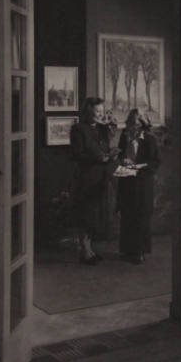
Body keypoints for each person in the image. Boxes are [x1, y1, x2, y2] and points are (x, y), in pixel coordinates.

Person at [70, 97, 119, 265]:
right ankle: (85, 251)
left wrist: (111, 152)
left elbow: (106, 147)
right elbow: (76, 155)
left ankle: (89, 249)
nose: (100, 114)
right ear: (88, 111)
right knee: (85, 214)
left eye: (101, 111)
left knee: (95, 215)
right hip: (86, 177)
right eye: (97, 111)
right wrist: (99, 157)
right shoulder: (78, 129)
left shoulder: (102, 128)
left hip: (101, 176)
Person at [116, 108, 160, 264]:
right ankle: (128, 249)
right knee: (127, 214)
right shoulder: (124, 136)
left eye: (135, 124)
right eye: (130, 123)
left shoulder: (150, 139)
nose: (132, 127)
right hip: (126, 179)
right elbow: (121, 155)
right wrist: (123, 160)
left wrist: (138, 167)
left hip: (142, 182)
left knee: (141, 216)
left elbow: (155, 162)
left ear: (142, 124)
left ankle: (140, 251)